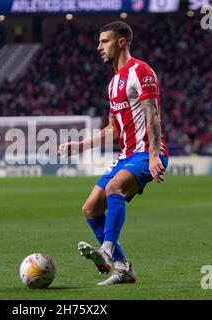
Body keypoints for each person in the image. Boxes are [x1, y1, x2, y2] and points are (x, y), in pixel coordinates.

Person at [58, 21, 169, 285]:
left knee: (114, 188)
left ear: (121, 42)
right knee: (90, 208)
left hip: (147, 152)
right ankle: (123, 268)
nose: (99, 47)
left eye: (104, 41)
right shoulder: (113, 84)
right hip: (126, 155)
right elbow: (113, 129)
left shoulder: (141, 71)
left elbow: (153, 116)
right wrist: (79, 146)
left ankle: (106, 250)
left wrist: (154, 155)